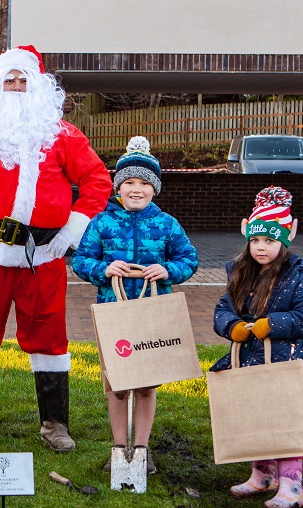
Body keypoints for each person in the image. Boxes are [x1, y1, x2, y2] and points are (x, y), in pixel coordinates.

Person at [0, 45, 112, 452]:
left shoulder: (63, 135)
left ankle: (54, 425)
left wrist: (71, 231)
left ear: (38, 87)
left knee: (49, 337)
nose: (16, 87)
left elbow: (98, 180)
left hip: (42, 258)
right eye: (9, 80)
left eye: (23, 80)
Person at [72, 136, 199, 473]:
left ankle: (141, 449)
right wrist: (103, 269)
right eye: (129, 182)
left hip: (152, 315)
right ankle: (118, 448)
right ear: (119, 186)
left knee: (145, 384)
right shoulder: (102, 223)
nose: (136, 189)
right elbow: (81, 260)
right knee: (117, 384)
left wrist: (168, 269)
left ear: (154, 188)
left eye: (144, 183)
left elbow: (189, 259)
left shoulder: (167, 224)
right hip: (114, 312)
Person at [209, 185, 303, 508]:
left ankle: (292, 484)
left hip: (286, 360)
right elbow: (223, 308)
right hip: (250, 358)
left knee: (285, 417)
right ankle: (262, 474)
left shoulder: (300, 278)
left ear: (285, 239)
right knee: (256, 415)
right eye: (256, 240)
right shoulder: (241, 274)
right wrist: (231, 326)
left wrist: (271, 324)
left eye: (270, 241)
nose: (261, 247)